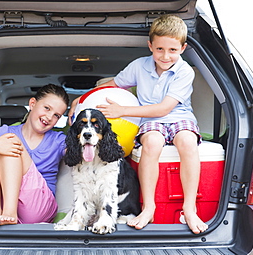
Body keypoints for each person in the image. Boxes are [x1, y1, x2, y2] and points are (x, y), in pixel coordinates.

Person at [68, 15, 207, 234]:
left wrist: (122, 111)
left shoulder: (185, 71)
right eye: (159, 49)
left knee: (188, 142)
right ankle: (149, 207)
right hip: (150, 121)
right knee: (151, 143)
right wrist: (83, 98)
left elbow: (164, 108)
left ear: (183, 48)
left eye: (172, 50)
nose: (165, 56)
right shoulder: (139, 66)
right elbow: (112, 85)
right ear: (150, 45)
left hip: (179, 116)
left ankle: (189, 208)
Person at [0, 84, 69, 226]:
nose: (49, 117)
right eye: (47, 108)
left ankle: (9, 213)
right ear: (32, 104)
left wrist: (78, 116)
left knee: (9, 141)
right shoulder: (6, 131)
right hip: (1, 200)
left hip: (36, 207)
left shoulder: (58, 140)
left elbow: (82, 155)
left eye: (56, 116)